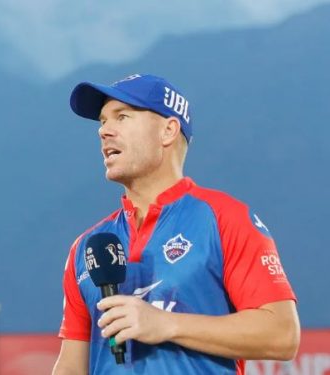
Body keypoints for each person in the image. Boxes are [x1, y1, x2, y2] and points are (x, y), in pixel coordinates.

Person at [52, 74, 300, 374]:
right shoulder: (87, 248)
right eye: (103, 121)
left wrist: (166, 324)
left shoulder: (224, 218)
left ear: (168, 131)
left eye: (122, 117)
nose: (104, 131)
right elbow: (71, 367)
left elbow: (282, 335)